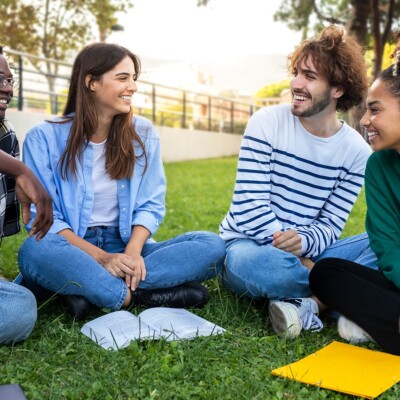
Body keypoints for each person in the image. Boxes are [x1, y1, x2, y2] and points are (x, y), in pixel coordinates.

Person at [17, 43, 226, 320]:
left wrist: (132, 253)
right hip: (72, 248)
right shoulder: (43, 137)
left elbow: (150, 204)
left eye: (134, 78)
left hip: (125, 244)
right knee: (36, 249)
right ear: (91, 82)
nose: (133, 87)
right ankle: (133, 296)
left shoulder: (143, 132)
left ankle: (87, 293)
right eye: (123, 78)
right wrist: (102, 258)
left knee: (212, 246)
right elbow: (42, 220)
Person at [219, 25, 377, 339]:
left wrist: (304, 247)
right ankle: (348, 297)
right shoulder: (267, 122)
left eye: (309, 76)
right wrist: (298, 258)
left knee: (386, 242)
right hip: (249, 247)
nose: (296, 84)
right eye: (296, 73)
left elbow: (331, 225)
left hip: (311, 255)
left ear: (337, 89)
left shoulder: (357, 151)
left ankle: (311, 305)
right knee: (260, 266)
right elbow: (249, 207)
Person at [309, 36, 400, 355]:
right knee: (326, 272)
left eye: (375, 111)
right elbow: (388, 248)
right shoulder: (379, 166)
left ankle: (379, 322)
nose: (364, 122)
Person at [0, 47, 53, 344]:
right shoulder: (12, 161)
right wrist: (21, 170)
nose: (7, 88)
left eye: (9, 80)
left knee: (20, 305)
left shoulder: (6, 139)